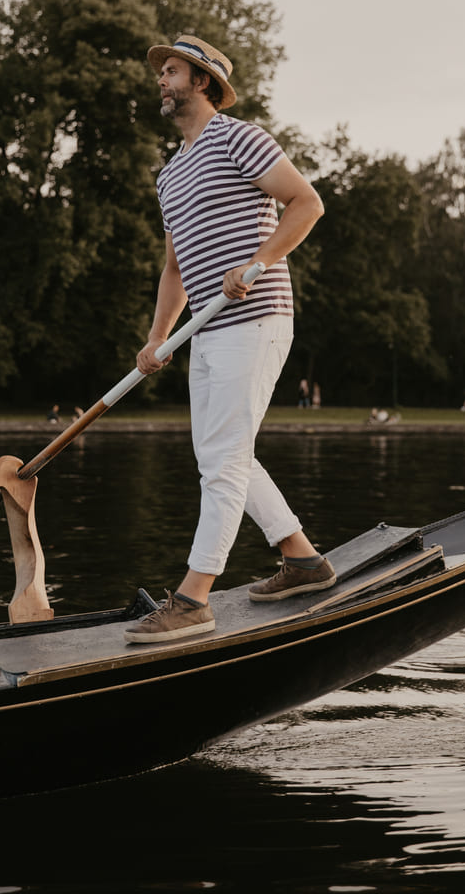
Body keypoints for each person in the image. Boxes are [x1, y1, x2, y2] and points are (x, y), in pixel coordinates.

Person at [125, 35, 329, 645]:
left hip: (257, 318)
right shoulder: (170, 174)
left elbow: (306, 203)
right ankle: (302, 560)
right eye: (161, 71)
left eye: (172, 71)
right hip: (206, 331)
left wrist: (259, 262)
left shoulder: (239, 137)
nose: (161, 79)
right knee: (222, 458)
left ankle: (193, 600)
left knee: (222, 463)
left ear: (203, 82)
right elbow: (176, 269)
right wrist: (158, 337)